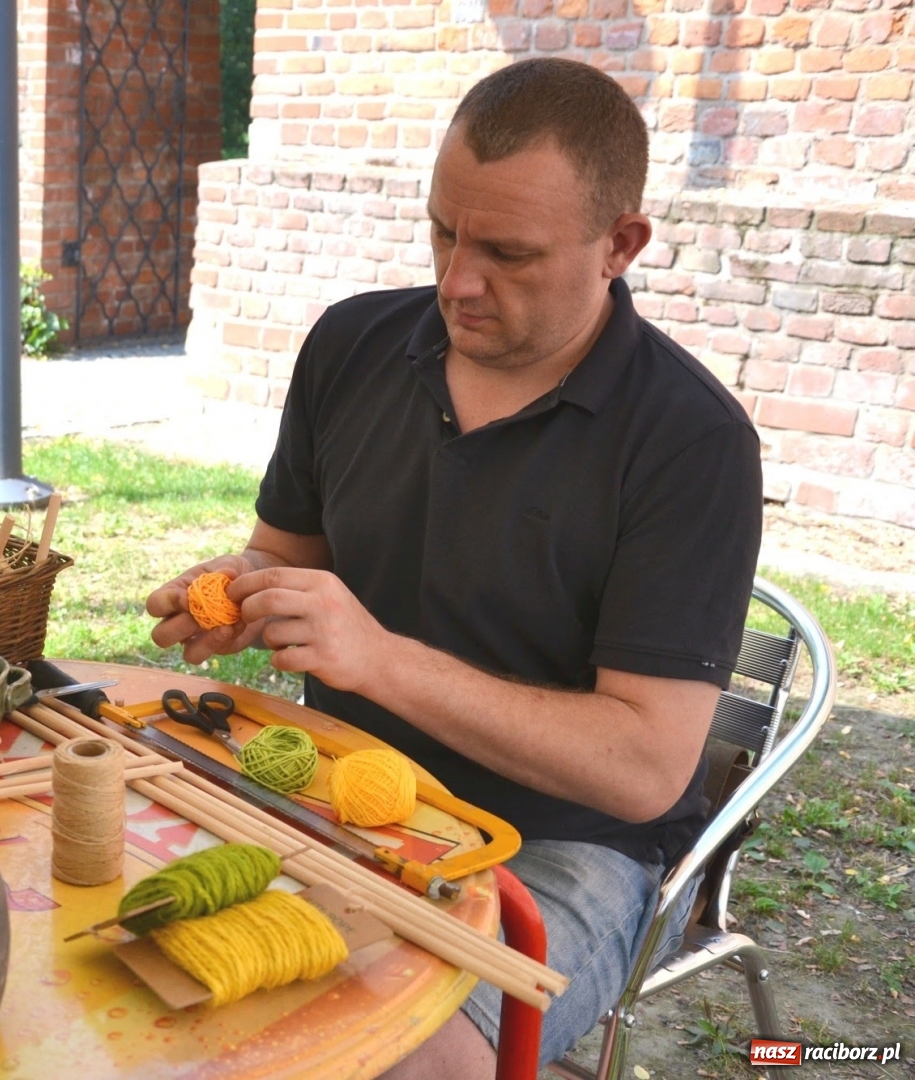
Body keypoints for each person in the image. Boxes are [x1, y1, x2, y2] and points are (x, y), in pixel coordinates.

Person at [146, 57, 763, 1074]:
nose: (456, 281)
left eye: (509, 254)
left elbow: (646, 767)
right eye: (443, 230)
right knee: (121, 937)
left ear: (621, 245)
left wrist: (381, 660)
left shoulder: (689, 441)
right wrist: (245, 595)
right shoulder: (352, 345)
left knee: (394, 1058)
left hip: (563, 847)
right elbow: (282, 556)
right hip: (337, 787)